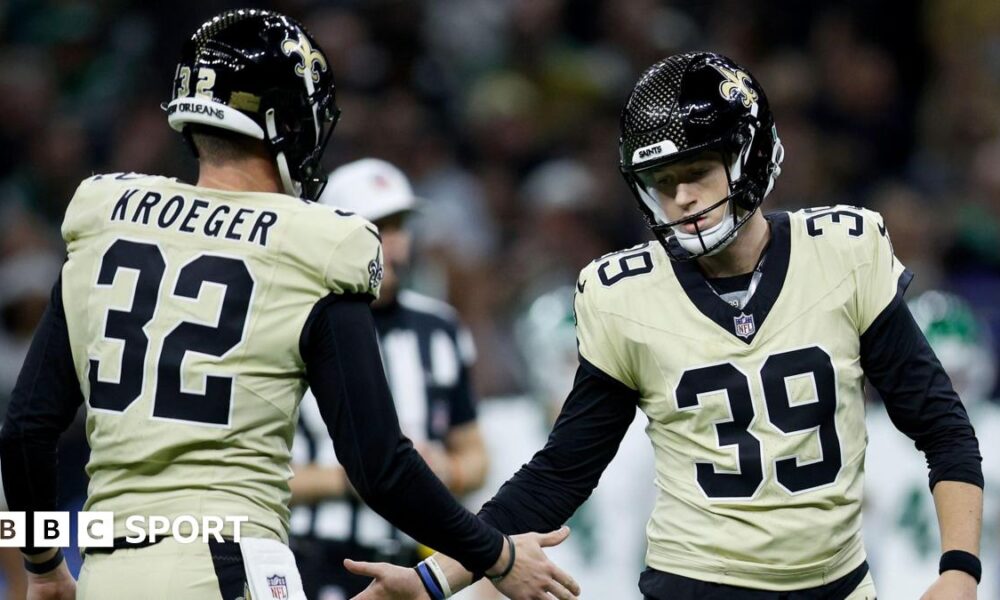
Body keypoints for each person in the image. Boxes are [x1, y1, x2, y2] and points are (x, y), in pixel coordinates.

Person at [346, 51, 984, 600]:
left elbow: (942, 426)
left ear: (750, 156)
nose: (680, 198)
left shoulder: (843, 253)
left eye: (697, 173)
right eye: (661, 182)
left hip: (841, 585)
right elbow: (560, 473)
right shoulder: (625, 296)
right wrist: (437, 579)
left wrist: (959, 571)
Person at [0, 10, 579, 600]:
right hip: (230, 562)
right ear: (287, 123)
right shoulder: (318, 243)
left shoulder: (105, 217)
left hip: (109, 570)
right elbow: (379, 465)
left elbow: (24, 431)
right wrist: (497, 556)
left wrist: (44, 565)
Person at [289, 158, 490, 599]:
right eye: (378, 228)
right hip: (315, 558)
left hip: (413, 565)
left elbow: (475, 455)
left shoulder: (439, 327)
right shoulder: (293, 322)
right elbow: (258, 472)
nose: (394, 247)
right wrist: (362, 476)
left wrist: (445, 471)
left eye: (400, 227)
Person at [864, 290, 999, 599]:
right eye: (935, 377)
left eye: (955, 377)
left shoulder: (994, 432)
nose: (944, 392)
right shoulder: (869, 435)